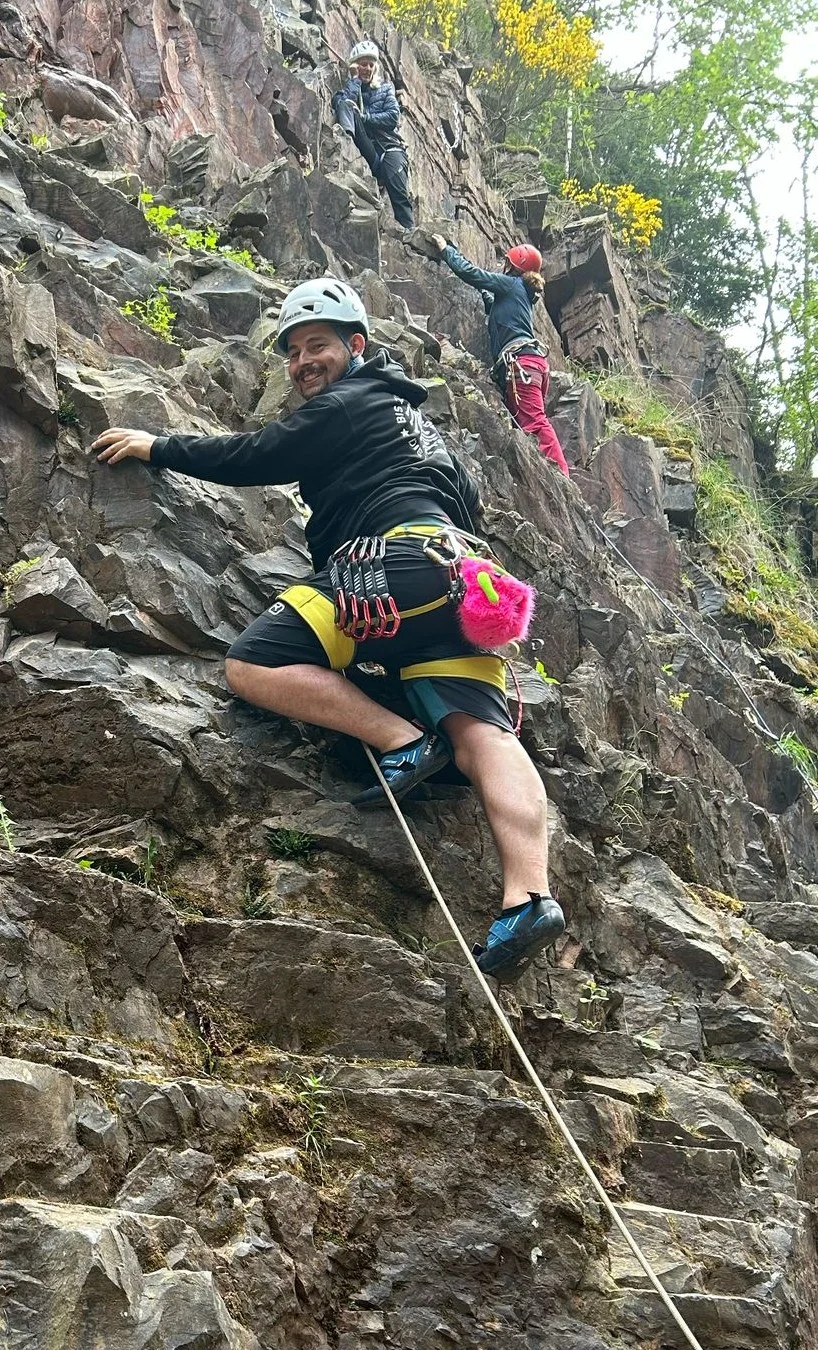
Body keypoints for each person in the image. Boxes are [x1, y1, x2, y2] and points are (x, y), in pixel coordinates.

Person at [91, 277, 564, 983]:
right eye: (294, 351)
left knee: (254, 664)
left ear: (358, 346)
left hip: (393, 566)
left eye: (319, 346)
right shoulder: (419, 423)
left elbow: (255, 457)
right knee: (485, 735)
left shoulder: (349, 402)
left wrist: (157, 445)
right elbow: (465, 504)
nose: (304, 361)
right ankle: (529, 896)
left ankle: (404, 743)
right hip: (464, 582)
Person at [429, 234, 570, 477]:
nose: (502, 266)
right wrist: (485, 292)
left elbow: (473, 274)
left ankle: (563, 474)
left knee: (535, 422)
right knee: (527, 422)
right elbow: (491, 301)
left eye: (506, 262)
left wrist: (447, 250)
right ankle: (548, 473)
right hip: (529, 365)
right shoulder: (520, 292)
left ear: (513, 267)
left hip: (522, 365)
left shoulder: (512, 284)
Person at [331, 39, 414, 230]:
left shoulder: (385, 90)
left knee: (398, 189)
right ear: (354, 66)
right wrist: (354, 81)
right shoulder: (348, 89)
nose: (367, 68)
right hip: (365, 148)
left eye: (371, 65)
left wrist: (366, 117)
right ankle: (346, 143)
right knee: (344, 103)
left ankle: (409, 233)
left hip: (389, 150)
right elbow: (346, 104)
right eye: (363, 64)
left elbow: (393, 117)